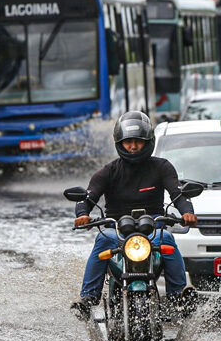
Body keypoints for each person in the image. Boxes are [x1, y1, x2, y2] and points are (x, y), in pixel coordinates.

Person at [71, 111, 198, 320]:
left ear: (147, 141)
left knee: (167, 238)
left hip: (153, 228)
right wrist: (83, 214)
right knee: (103, 239)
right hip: (116, 231)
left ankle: (179, 296)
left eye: (137, 142)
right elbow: (87, 197)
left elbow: (178, 194)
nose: (132, 147)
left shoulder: (162, 167)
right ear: (119, 143)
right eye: (128, 142)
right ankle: (87, 299)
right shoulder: (109, 171)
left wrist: (188, 213)